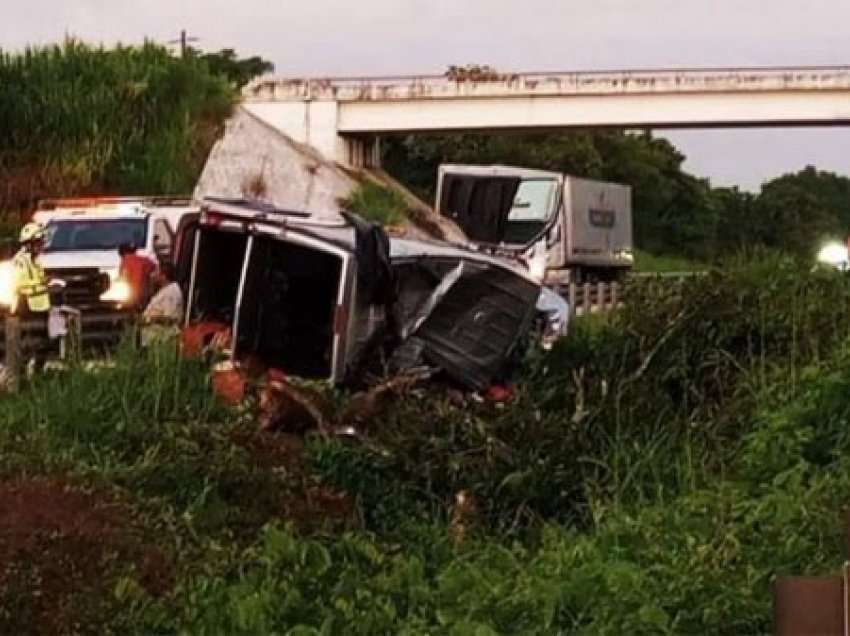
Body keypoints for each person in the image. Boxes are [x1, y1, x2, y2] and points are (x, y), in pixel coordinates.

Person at [141, 262, 184, 345]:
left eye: (156, 272)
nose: (152, 275)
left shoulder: (171, 292)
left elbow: (171, 318)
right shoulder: (165, 290)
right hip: (156, 340)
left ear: (163, 276)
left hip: (163, 341)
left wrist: (149, 319)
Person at [12, 222, 50, 316]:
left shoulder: (34, 260)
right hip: (26, 307)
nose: (41, 245)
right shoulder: (20, 261)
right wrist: (44, 284)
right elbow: (18, 285)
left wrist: (47, 281)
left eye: (42, 242)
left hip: (39, 306)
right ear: (29, 244)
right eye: (38, 242)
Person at [117, 243, 155, 308]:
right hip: (145, 293)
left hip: (133, 295)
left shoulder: (126, 260)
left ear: (122, 253)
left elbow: (124, 277)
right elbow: (153, 270)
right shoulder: (145, 260)